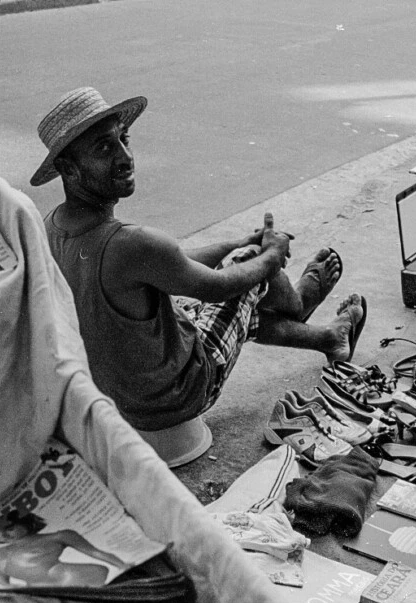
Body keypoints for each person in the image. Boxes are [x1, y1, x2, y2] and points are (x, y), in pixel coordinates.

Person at [32, 87, 366, 432]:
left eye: (124, 139)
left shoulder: (50, 227)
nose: (125, 156)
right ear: (68, 169)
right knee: (248, 264)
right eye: (104, 148)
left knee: (232, 287)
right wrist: (270, 255)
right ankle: (296, 304)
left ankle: (328, 338)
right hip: (178, 395)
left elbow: (170, 263)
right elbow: (217, 288)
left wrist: (233, 244)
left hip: (117, 399)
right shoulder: (129, 243)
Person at [0, 511, 126, 587]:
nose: (3, 535)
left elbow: (94, 552)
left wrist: (123, 566)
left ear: (25, 522)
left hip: (70, 577)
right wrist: (7, 586)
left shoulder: (59, 536)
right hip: (37, 589)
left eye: (9, 528)